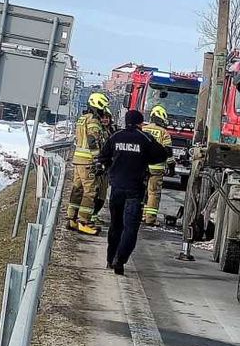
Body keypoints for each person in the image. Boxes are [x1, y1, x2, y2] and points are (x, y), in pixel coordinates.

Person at [98, 109, 169, 275]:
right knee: (130, 228)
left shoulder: (115, 136)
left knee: (116, 225)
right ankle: (120, 261)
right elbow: (161, 155)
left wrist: (111, 169)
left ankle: (110, 259)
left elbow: (102, 157)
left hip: (116, 189)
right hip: (134, 190)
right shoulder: (145, 138)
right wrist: (144, 158)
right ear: (139, 123)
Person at [66, 91, 110, 235]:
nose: (103, 111)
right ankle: (84, 221)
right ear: (98, 106)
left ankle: (71, 218)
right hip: (87, 162)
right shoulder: (93, 121)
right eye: (103, 107)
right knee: (90, 192)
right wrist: (98, 160)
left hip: (78, 160)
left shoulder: (82, 118)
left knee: (77, 189)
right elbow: (92, 141)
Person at [141, 104, 172, 225]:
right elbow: (168, 152)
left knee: (141, 191)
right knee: (153, 193)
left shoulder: (143, 129)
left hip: (141, 167)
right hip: (156, 168)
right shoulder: (164, 132)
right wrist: (171, 166)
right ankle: (150, 219)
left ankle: (140, 215)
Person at [90, 107, 116, 227]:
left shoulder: (112, 131)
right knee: (95, 191)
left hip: (107, 167)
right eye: (103, 117)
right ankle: (92, 216)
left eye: (107, 117)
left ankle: (95, 215)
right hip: (99, 165)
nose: (105, 119)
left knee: (102, 193)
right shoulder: (98, 130)